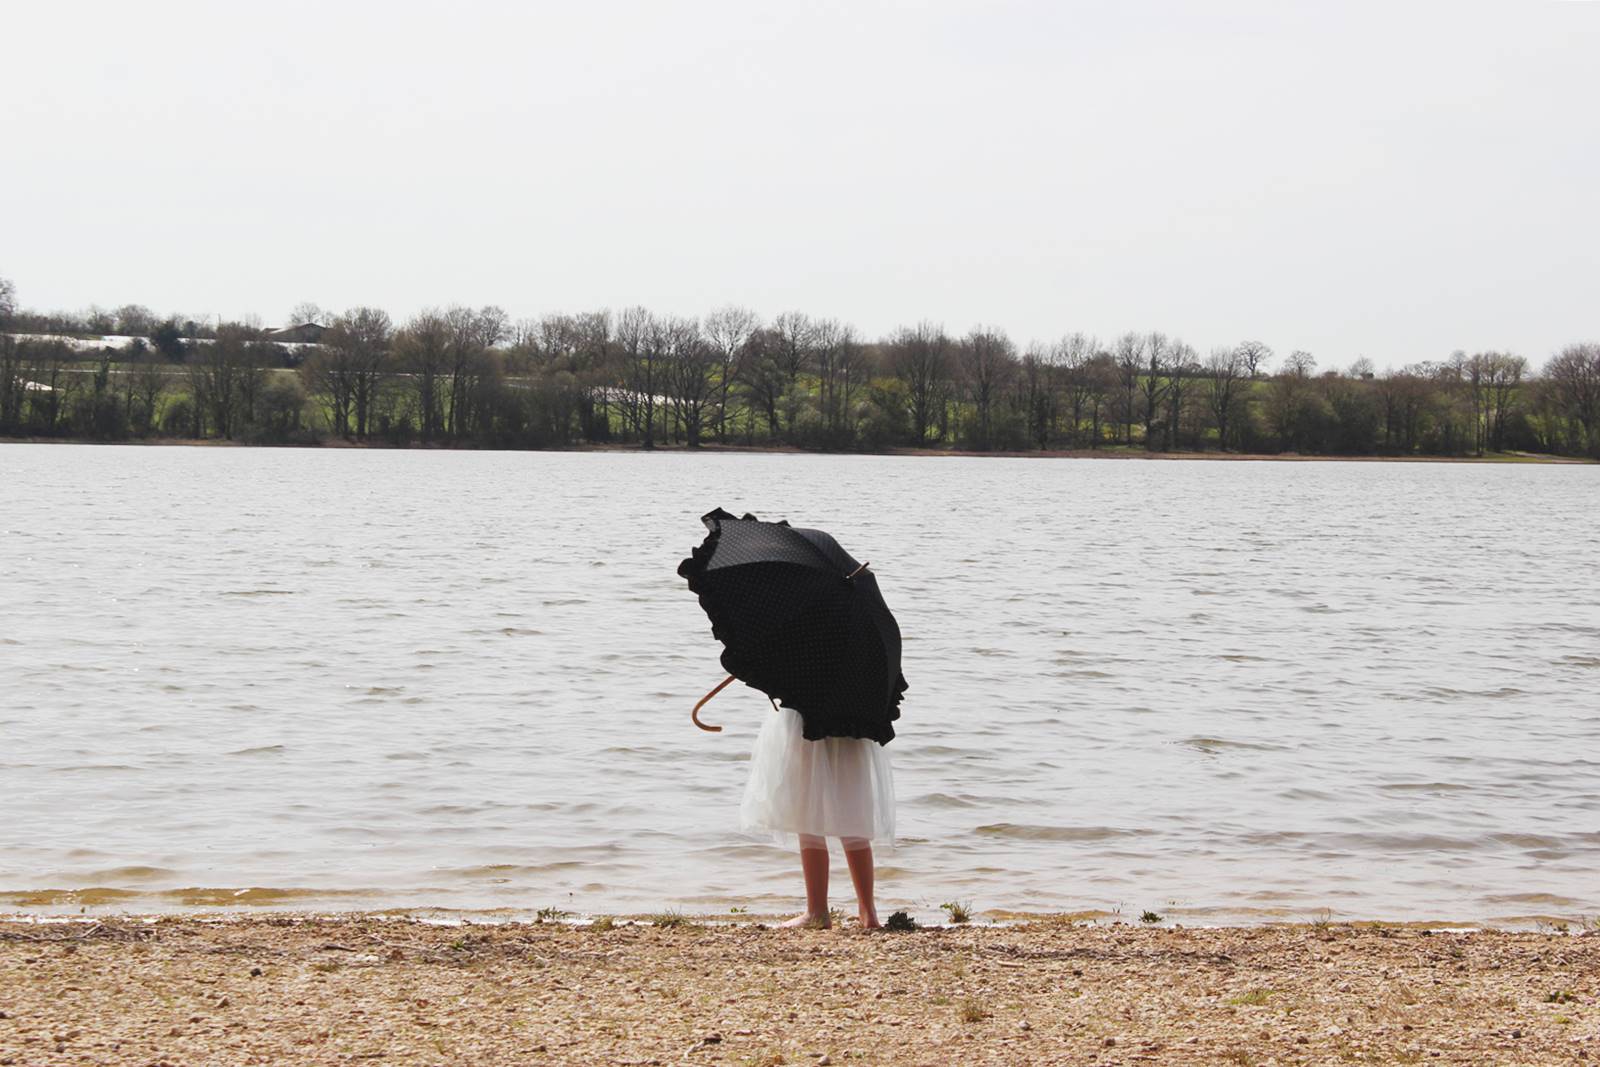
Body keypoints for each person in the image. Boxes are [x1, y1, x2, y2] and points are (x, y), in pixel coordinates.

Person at [741, 700, 895, 929]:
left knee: (807, 803)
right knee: (853, 805)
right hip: (852, 710)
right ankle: (868, 912)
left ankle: (817, 910)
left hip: (808, 709)